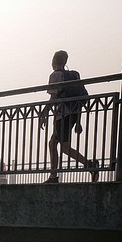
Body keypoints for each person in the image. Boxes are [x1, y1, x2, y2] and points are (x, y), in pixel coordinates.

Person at [39, 50, 99, 183]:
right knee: (53, 143)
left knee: (64, 147)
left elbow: (53, 97)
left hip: (63, 115)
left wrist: (43, 114)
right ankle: (54, 175)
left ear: (54, 61)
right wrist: (78, 121)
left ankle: (90, 166)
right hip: (72, 114)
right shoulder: (74, 75)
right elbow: (80, 98)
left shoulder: (55, 75)